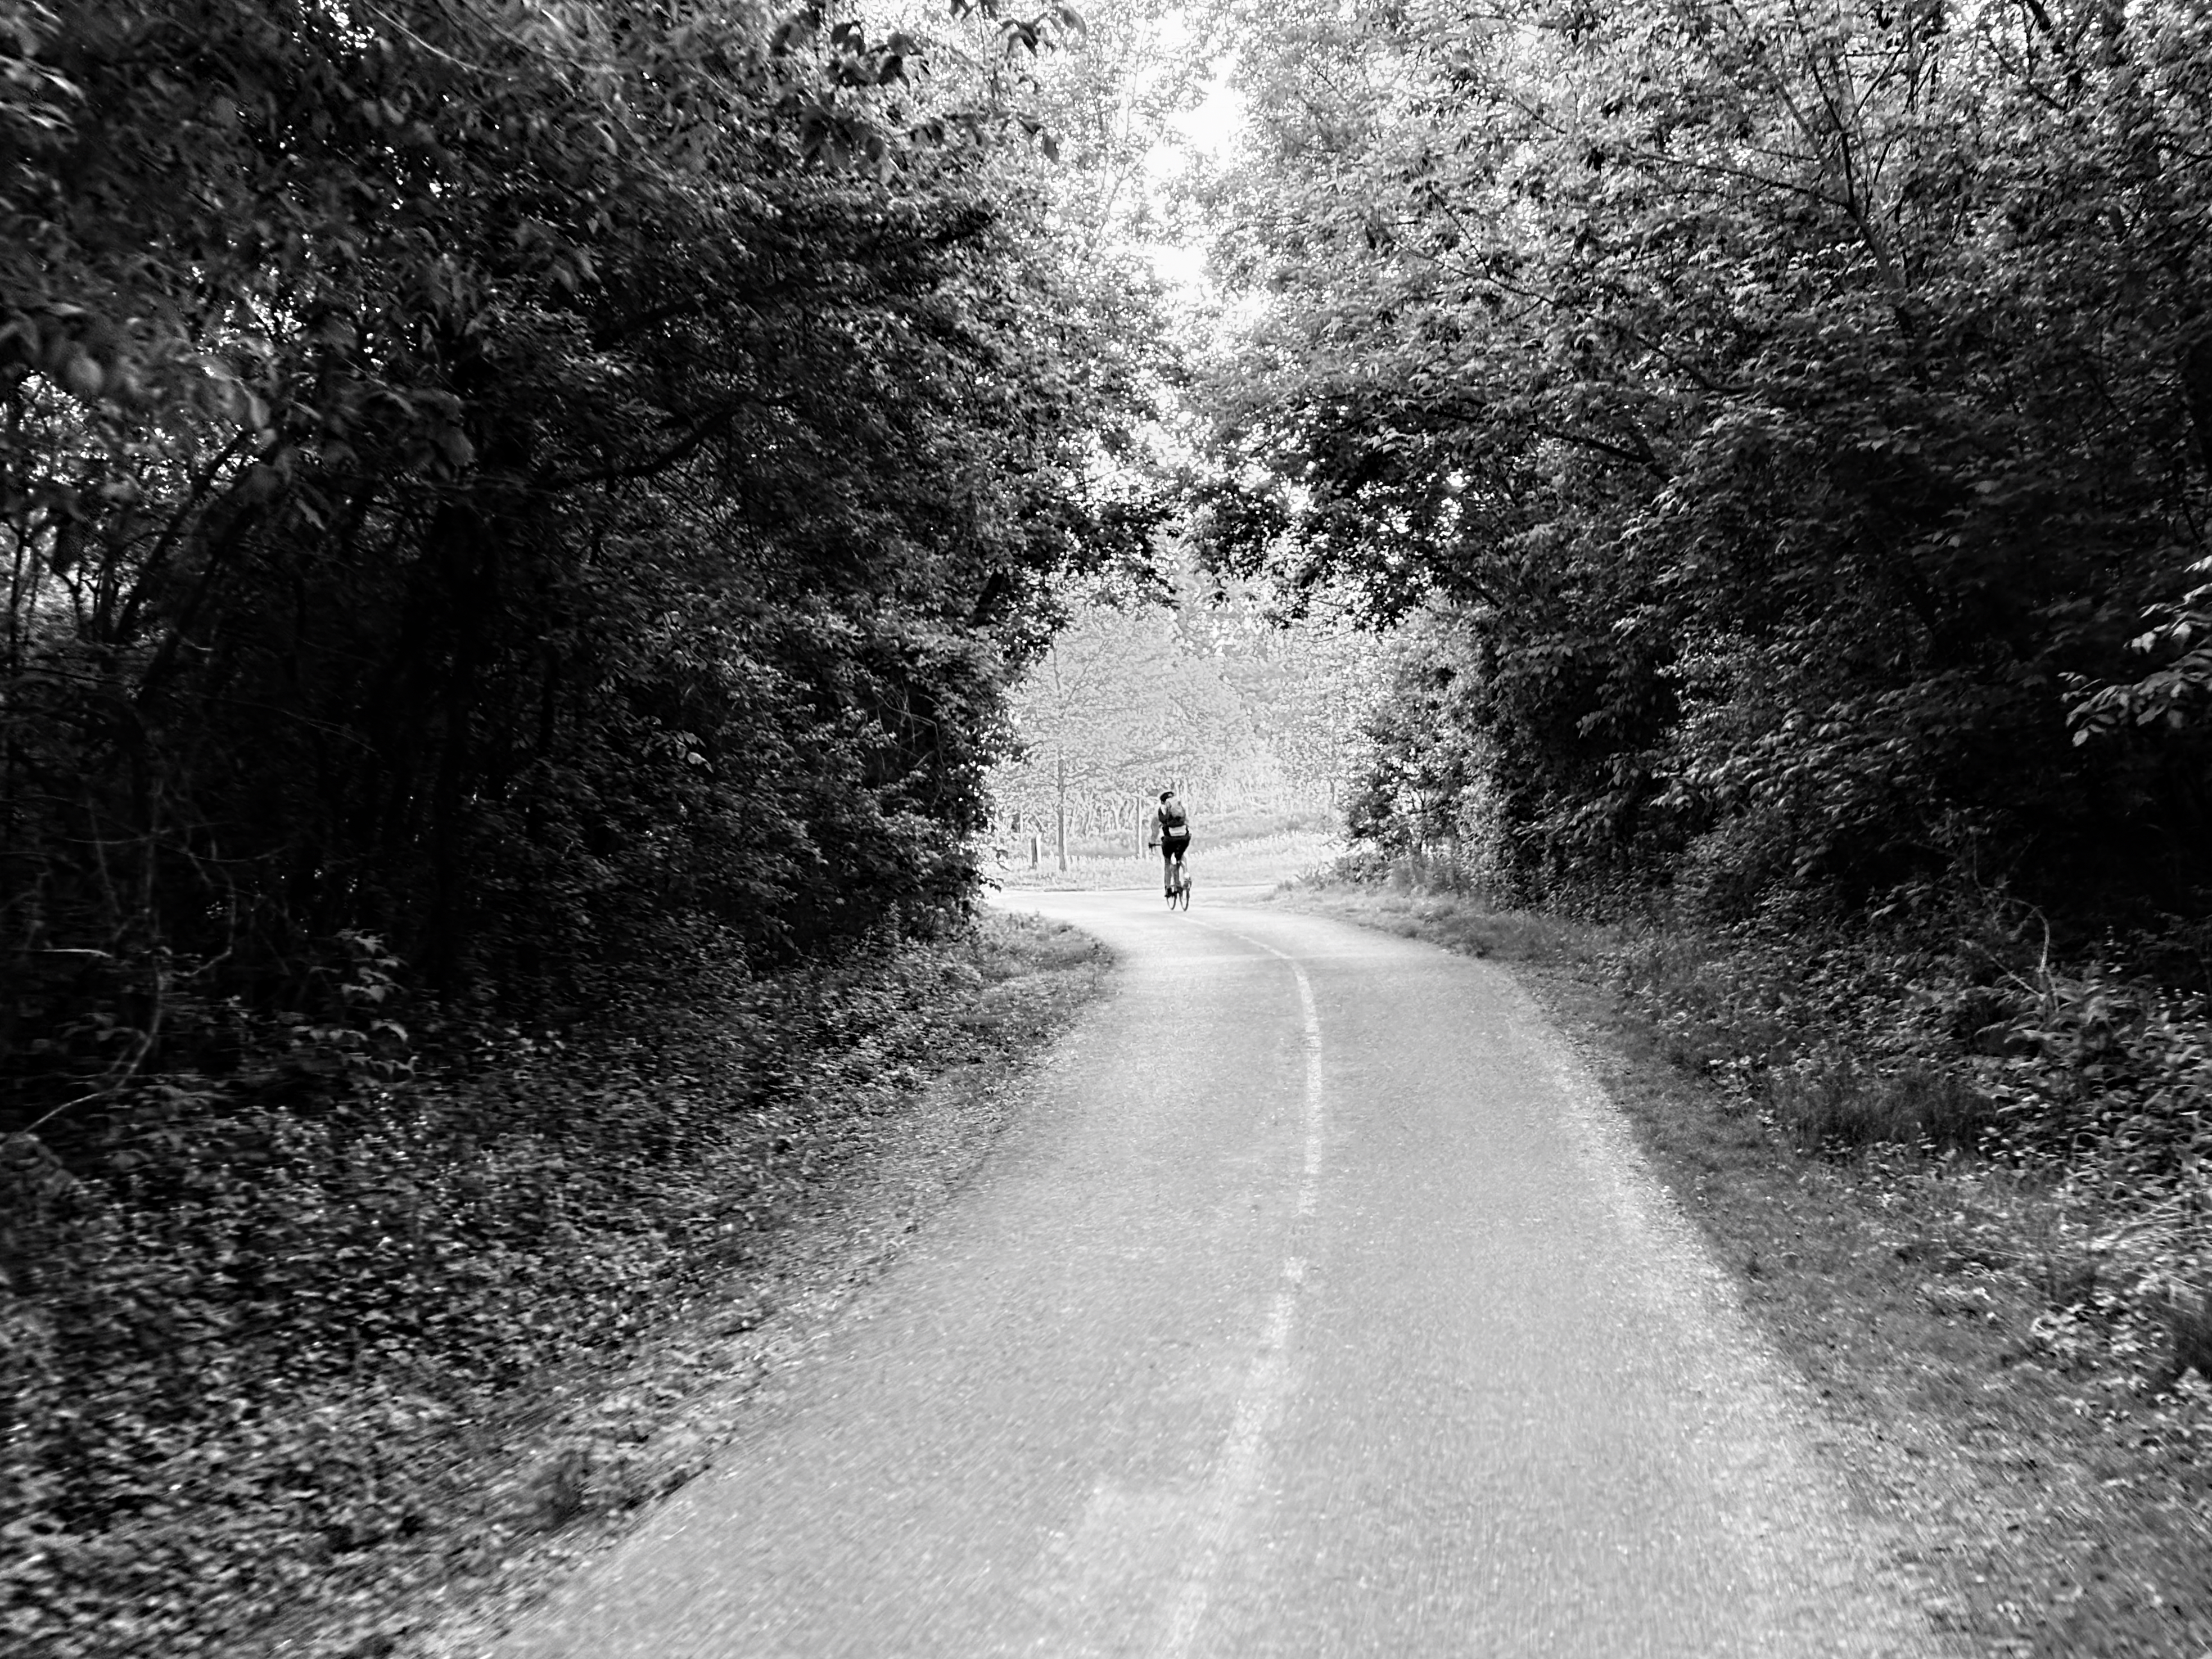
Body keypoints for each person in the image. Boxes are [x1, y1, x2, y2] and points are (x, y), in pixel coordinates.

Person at [1148, 788, 1191, 897]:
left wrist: (1152, 842)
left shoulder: (1160, 811)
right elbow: (1188, 823)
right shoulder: (1180, 808)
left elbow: (1155, 831)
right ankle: (1187, 877)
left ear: (1162, 802)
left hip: (1170, 839)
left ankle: (1168, 888)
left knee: (1167, 862)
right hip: (1184, 837)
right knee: (1182, 856)